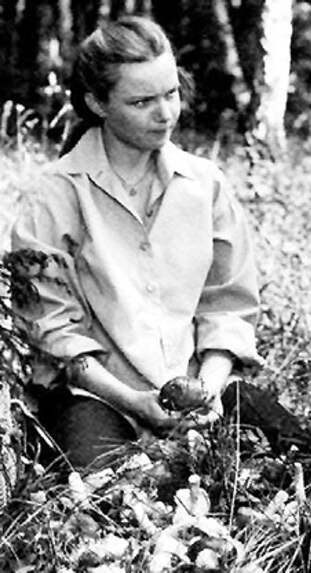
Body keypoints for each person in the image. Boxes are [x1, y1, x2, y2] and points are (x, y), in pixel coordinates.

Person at [11, 15, 262, 468]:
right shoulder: (56, 194)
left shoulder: (204, 184)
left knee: (304, 459)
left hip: (201, 388)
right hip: (97, 396)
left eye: (171, 94)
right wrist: (132, 400)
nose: (165, 113)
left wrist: (207, 389)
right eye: (142, 101)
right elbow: (52, 332)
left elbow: (227, 306)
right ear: (97, 103)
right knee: (99, 495)